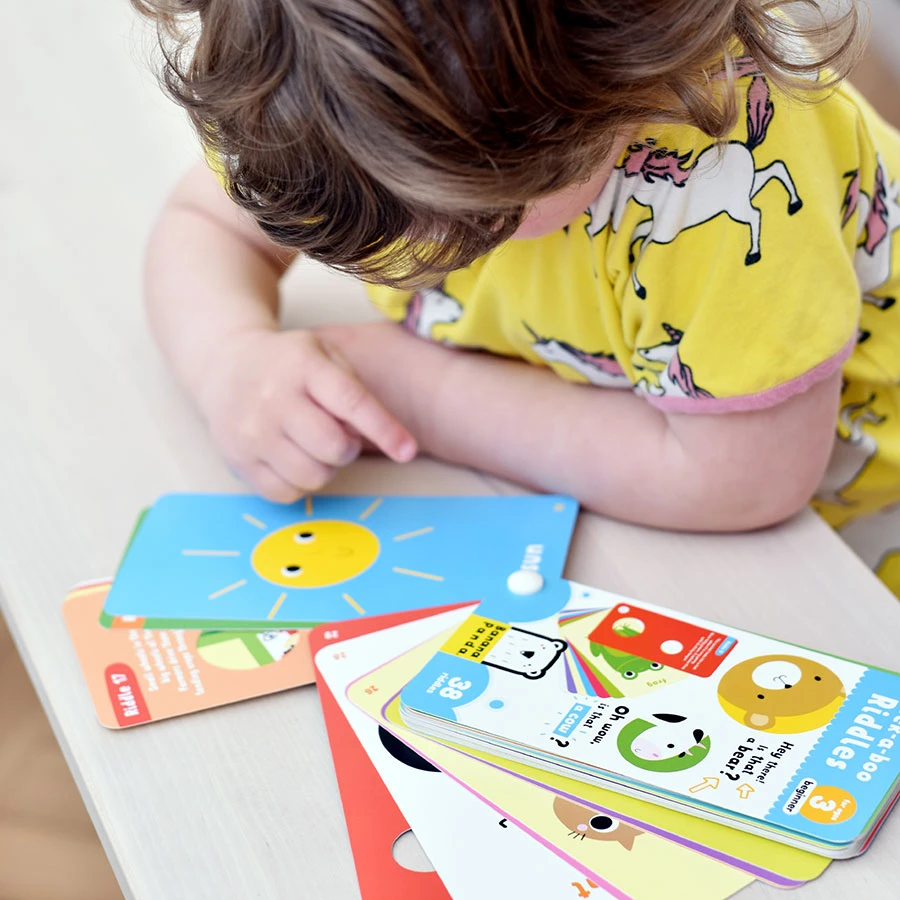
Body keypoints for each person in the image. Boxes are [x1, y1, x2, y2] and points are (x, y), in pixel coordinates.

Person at [131, 1, 900, 594]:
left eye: (470, 222)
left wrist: (423, 396)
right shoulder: (316, 85)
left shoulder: (721, 160)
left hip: (855, 525)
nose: (413, 259)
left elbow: (742, 481)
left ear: (618, 77)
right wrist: (229, 357)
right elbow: (208, 223)